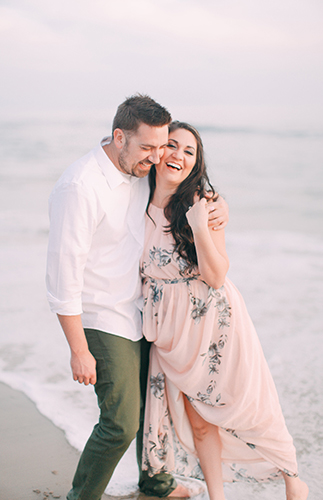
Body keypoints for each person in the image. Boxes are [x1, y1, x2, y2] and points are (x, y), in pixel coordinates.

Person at [46, 95, 229, 500]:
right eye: (147, 148)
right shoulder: (80, 187)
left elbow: (182, 187)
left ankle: (156, 482)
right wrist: (79, 350)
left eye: (160, 146)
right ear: (118, 137)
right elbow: (62, 278)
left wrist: (220, 208)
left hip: (142, 311)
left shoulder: (139, 168)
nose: (156, 157)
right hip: (100, 316)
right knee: (121, 423)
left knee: (154, 409)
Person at [140, 121, 309, 500]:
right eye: (172, 145)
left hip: (213, 323)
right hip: (169, 333)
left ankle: (291, 475)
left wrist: (199, 225)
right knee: (200, 425)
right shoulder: (135, 197)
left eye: (189, 152)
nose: (178, 156)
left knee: (243, 404)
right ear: (155, 151)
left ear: (195, 164)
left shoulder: (203, 204)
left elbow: (216, 276)